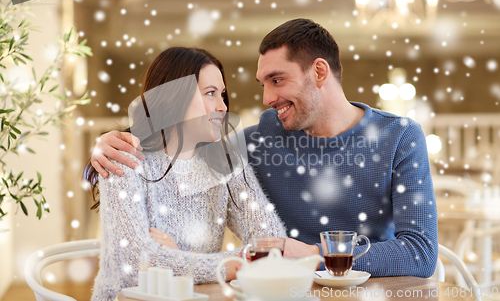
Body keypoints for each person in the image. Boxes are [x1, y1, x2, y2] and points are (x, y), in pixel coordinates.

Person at [90, 19, 438, 278]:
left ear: (319, 72)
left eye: (277, 80)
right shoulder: (250, 144)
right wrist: (103, 146)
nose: (266, 99)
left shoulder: (400, 137)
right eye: (263, 84)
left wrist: (314, 255)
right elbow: (176, 150)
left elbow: (420, 254)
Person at [85, 47, 286, 300]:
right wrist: (232, 263)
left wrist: (178, 257)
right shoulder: (124, 159)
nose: (223, 107)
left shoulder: (228, 163)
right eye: (210, 94)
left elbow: (273, 245)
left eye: (222, 95)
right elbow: (134, 265)